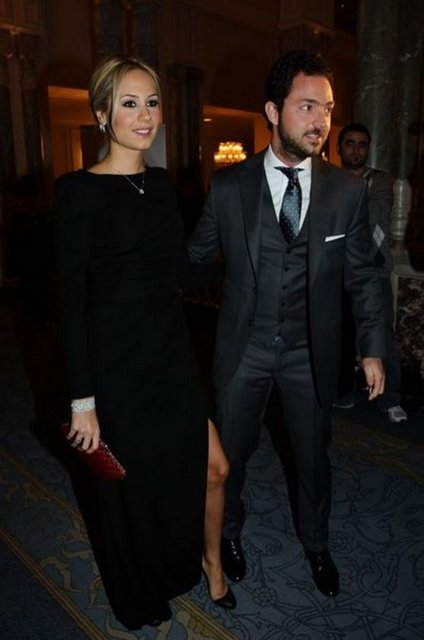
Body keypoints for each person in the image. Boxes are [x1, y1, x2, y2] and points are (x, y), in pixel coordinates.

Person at [187, 50, 386, 598]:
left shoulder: (347, 191)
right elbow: (193, 257)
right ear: (274, 111)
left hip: (309, 353)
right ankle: (228, 533)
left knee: (313, 458)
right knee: (231, 456)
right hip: (243, 350)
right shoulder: (229, 187)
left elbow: (365, 275)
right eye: (307, 107)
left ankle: (316, 542)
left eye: (327, 109)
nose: (321, 121)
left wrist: (372, 347)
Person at [54, 54, 236, 631]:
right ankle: (143, 587)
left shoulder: (159, 185)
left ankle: (208, 560)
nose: (144, 115)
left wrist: (244, 263)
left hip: (171, 358)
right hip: (117, 368)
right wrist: (83, 400)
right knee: (137, 489)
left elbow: (177, 271)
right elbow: (70, 304)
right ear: (102, 113)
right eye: (129, 103)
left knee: (213, 468)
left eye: (152, 102)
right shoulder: (77, 192)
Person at [336, 122, 407, 423]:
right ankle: (342, 392)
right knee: (339, 335)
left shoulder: (380, 180)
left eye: (362, 144)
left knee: (381, 336)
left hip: (373, 269)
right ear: (339, 147)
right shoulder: (330, 178)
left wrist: (336, 210)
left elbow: (374, 214)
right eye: (350, 143)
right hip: (337, 269)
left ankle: (391, 400)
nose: (356, 149)